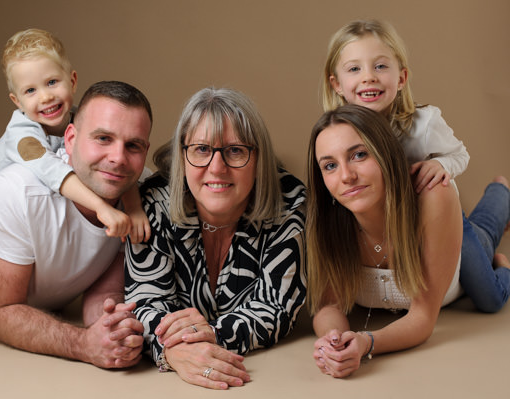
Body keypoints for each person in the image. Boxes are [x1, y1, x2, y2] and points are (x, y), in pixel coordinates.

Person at [0, 80, 153, 369]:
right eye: (103, 138)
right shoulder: (17, 191)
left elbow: (103, 291)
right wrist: (83, 344)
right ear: (71, 138)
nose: (118, 158)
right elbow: (2, 313)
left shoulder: (140, 198)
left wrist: (112, 329)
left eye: (133, 145)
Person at [306, 104, 510, 378]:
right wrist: (337, 342)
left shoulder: (433, 196)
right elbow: (327, 305)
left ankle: (501, 190)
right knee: (484, 227)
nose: (346, 176)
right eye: (330, 165)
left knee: (485, 232)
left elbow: (423, 319)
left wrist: (366, 342)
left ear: (386, 155)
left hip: (459, 248)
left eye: (359, 155)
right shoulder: (326, 219)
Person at [124, 87, 307, 390]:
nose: (217, 168)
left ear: (258, 158)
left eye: (235, 150)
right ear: (182, 156)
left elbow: (276, 308)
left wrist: (210, 336)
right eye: (201, 149)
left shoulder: (289, 203)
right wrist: (172, 352)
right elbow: (144, 301)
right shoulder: (153, 202)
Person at [0, 28, 149, 242]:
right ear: (18, 101)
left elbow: (115, 160)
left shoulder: (82, 123)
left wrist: (135, 208)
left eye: (52, 82)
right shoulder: (22, 132)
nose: (45, 97)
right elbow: (50, 169)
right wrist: (101, 207)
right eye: (31, 90)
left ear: (73, 81)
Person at [321, 19, 469, 194]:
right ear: (337, 84)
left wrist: (440, 164)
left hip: (436, 213)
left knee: (484, 222)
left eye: (380, 66)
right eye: (354, 69)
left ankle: (499, 190)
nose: (368, 77)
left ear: (401, 78)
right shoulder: (339, 134)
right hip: (388, 217)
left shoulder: (424, 123)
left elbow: (460, 155)